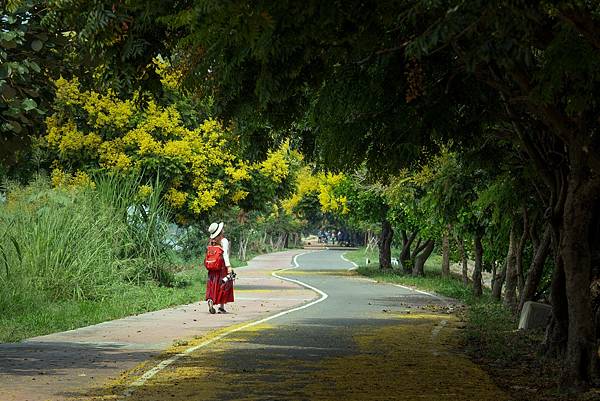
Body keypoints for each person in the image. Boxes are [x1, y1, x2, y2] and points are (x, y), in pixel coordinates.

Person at [205, 222, 234, 314]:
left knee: (212, 284)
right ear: (220, 231)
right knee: (223, 285)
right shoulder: (223, 241)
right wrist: (228, 266)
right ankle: (221, 307)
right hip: (221, 267)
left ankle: (211, 299)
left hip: (212, 268)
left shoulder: (211, 241)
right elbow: (225, 254)